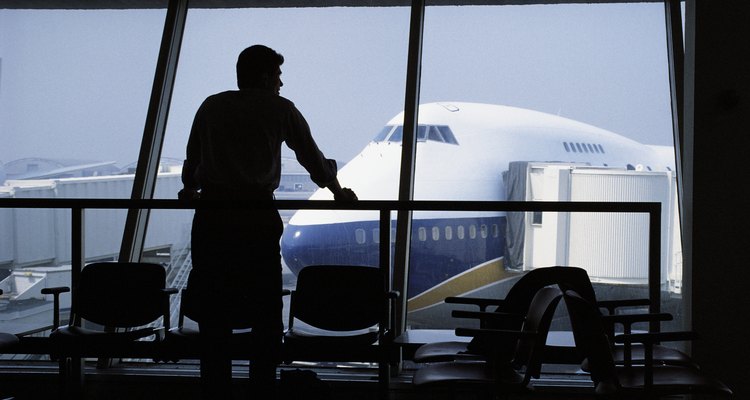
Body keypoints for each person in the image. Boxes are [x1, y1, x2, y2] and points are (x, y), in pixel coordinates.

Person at [179, 44, 357, 399]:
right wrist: (338, 191)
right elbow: (313, 161)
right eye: (277, 75)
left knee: (215, 315)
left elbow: (191, 168)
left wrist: (191, 189)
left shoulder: (211, 107)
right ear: (263, 76)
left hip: (212, 219)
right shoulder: (280, 110)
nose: (281, 82)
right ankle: (262, 387)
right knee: (264, 310)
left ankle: (215, 389)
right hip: (256, 219)